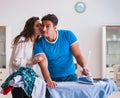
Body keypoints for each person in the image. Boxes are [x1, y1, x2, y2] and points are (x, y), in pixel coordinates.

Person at [33, 14, 89, 89]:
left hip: (70, 76)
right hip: (52, 78)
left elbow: (78, 55)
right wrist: (49, 80)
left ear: (55, 27)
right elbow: (43, 66)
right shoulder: (39, 44)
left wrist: (84, 67)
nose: (43, 29)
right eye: (42, 25)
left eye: (47, 26)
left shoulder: (68, 35)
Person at [10, 17, 43, 98]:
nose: (40, 27)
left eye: (41, 25)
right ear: (31, 27)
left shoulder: (38, 42)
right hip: (19, 82)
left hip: (30, 81)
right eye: (37, 26)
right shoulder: (22, 40)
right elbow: (16, 61)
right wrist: (31, 62)